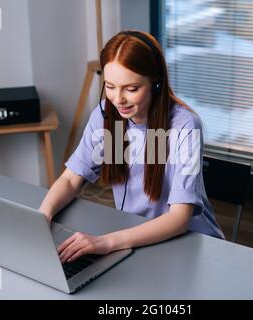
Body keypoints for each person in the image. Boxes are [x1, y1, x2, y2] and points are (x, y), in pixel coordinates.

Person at [39, 30, 224, 264]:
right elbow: (70, 179)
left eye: (131, 88)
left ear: (155, 83)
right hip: (135, 238)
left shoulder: (185, 126)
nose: (118, 99)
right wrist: (42, 216)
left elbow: (179, 218)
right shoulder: (106, 114)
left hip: (190, 243)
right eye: (110, 86)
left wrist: (106, 242)